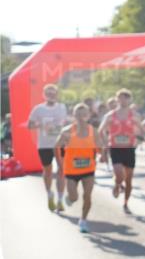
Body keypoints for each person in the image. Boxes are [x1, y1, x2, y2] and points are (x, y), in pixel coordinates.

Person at [54, 103, 99, 233]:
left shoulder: (93, 131)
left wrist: (103, 155)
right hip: (71, 170)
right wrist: (60, 164)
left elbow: (99, 146)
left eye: (84, 114)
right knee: (74, 197)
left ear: (88, 116)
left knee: (87, 195)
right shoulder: (67, 131)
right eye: (78, 115)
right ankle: (70, 198)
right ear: (74, 116)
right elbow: (56, 147)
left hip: (88, 169)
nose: (81, 117)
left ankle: (83, 220)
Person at [98, 89, 141, 214]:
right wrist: (105, 143)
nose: (123, 100)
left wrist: (138, 141)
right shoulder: (110, 115)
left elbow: (141, 130)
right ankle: (117, 184)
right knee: (119, 175)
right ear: (117, 99)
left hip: (129, 149)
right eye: (121, 97)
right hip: (115, 148)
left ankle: (126, 203)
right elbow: (101, 130)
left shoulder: (134, 115)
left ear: (129, 99)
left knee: (128, 180)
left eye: (126, 97)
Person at [28, 84, 69, 212]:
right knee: (48, 171)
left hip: (60, 143)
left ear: (56, 95)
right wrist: (40, 124)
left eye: (53, 93)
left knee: (62, 170)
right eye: (48, 93)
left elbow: (66, 123)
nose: (51, 95)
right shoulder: (38, 109)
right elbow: (29, 125)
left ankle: (60, 200)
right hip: (44, 145)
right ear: (44, 95)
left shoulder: (62, 107)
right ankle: (50, 194)